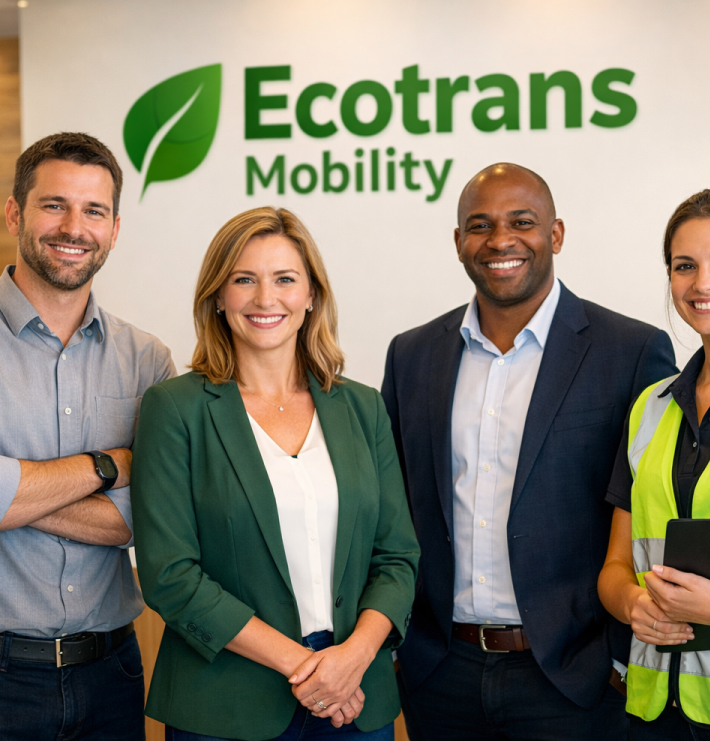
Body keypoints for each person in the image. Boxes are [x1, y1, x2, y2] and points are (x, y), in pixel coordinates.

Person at [381, 162, 677, 741]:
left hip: (574, 678)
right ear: (459, 242)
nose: (500, 240)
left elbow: (651, 506)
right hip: (440, 674)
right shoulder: (411, 355)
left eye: (522, 222)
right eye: (480, 225)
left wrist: (616, 661)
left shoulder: (631, 351)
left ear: (556, 234)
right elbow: (393, 511)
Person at [131, 207, 420, 741]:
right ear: (218, 296)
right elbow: (169, 574)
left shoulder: (363, 408)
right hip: (227, 705)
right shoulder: (175, 409)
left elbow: (397, 557)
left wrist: (352, 660)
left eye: (285, 279)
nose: (266, 298)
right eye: (244, 279)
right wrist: (309, 669)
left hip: (355, 698)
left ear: (311, 295)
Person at [0, 132, 175, 740]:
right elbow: (122, 497)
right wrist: (107, 466)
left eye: (94, 211)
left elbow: (147, 519)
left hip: (112, 675)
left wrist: (15, 493)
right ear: (15, 213)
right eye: (54, 205)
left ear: (115, 229)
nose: (74, 228)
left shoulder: (147, 361)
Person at [598, 188, 710, 739]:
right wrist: (632, 604)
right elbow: (615, 567)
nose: (703, 283)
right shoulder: (651, 408)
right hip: (654, 716)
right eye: (684, 266)